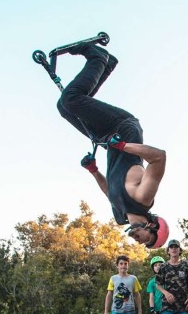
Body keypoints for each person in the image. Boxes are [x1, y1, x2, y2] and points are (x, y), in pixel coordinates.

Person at [57, 43, 169, 248]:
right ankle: (98, 58)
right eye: (147, 239)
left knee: (64, 108)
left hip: (108, 141)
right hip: (123, 129)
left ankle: (107, 65)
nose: (140, 242)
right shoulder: (143, 198)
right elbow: (159, 157)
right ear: (152, 225)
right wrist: (124, 145)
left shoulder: (120, 216)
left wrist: (93, 170)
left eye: (144, 245)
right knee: (71, 99)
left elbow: (109, 192)